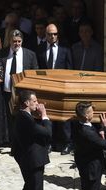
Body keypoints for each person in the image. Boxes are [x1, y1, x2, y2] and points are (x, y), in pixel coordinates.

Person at [11, 90, 52, 190]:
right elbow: (47, 133)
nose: (37, 104)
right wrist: (45, 116)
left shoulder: (24, 116)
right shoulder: (25, 118)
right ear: (27, 103)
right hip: (32, 162)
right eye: (34, 101)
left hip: (29, 160)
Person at [36, 23, 73, 155]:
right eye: (50, 34)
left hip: (62, 87)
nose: (52, 36)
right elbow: (37, 69)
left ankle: (66, 143)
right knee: (47, 116)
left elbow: (70, 69)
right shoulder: (39, 49)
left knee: (64, 117)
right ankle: (48, 143)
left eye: (55, 34)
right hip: (46, 88)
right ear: (45, 35)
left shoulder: (65, 49)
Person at [0, 29, 38, 143]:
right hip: (6, 92)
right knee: (9, 119)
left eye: (19, 41)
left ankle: (23, 141)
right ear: (10, 41)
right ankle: (11, 142)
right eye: (14, 41)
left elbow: (35, 73)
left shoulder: (30, 55)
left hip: (23, 94)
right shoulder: (2, 54)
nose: (17, 44)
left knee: (23, 119)